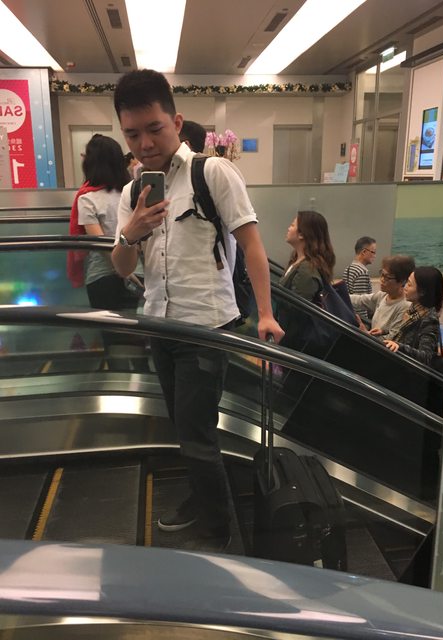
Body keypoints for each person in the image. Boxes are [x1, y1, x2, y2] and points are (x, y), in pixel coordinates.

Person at [111, 69, 283, 552]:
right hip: (159, 324)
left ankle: (217, 529)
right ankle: (204, 499)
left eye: (154, 129)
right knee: (185, 427)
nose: (144, 143)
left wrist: (265, 313)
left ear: (176, 121)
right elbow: (122, 268)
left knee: (197, 432)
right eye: (132, 134)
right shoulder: (132, 192)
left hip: (206, 328)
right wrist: (132, 233)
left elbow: (252, 245)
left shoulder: (213, 173)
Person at [74, 134, 141, 311]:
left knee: (109, 327)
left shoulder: (87, 199)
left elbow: (100, 244)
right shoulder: (132, 193)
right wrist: (129, 272)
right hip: (137, 271)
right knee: (138, 325)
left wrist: (123, 270)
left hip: (103, 276)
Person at [277, 210, 335, 356]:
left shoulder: (307, 269)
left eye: (292, 225)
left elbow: (296, 311)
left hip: (292, 346)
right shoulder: (297, 262)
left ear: (302, 234)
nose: (288, 228)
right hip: (287, 341)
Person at [384, 266, 443, 365]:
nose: (405, 287)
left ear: (422, 292)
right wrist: (384, 331)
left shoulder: (429, 319)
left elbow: (425, 356)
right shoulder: (412, 310)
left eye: (409, 284)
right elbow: (405, 334)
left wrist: (400, 347)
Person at [350, 255, 415, 340]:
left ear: (402, 281)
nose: (382, 279)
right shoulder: (383, 295)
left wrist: (366, 334)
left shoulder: (405, 306)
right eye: (382, 274)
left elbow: (392, 339)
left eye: (387, 277)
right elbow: (360, 300)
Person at [343, 236, 376, 326]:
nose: (375, 256)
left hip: (349, 316)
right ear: (364, 252)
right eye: (373, 252)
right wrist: (364, 324)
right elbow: (361, 303)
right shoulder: (362, 272)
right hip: (358, 321)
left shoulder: (348, 268)